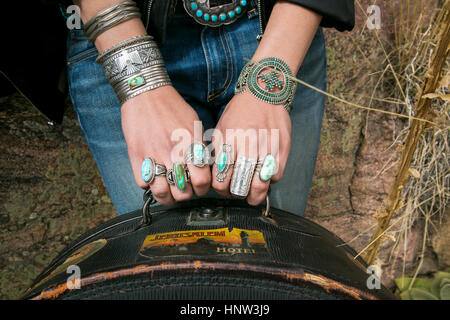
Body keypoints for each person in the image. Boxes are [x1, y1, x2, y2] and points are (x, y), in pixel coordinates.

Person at [66, 0, 354, 216]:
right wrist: (141, 85)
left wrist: (269, 80)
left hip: (282, 26)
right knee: (160, 273)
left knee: (274, 261)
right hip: (115, 31)